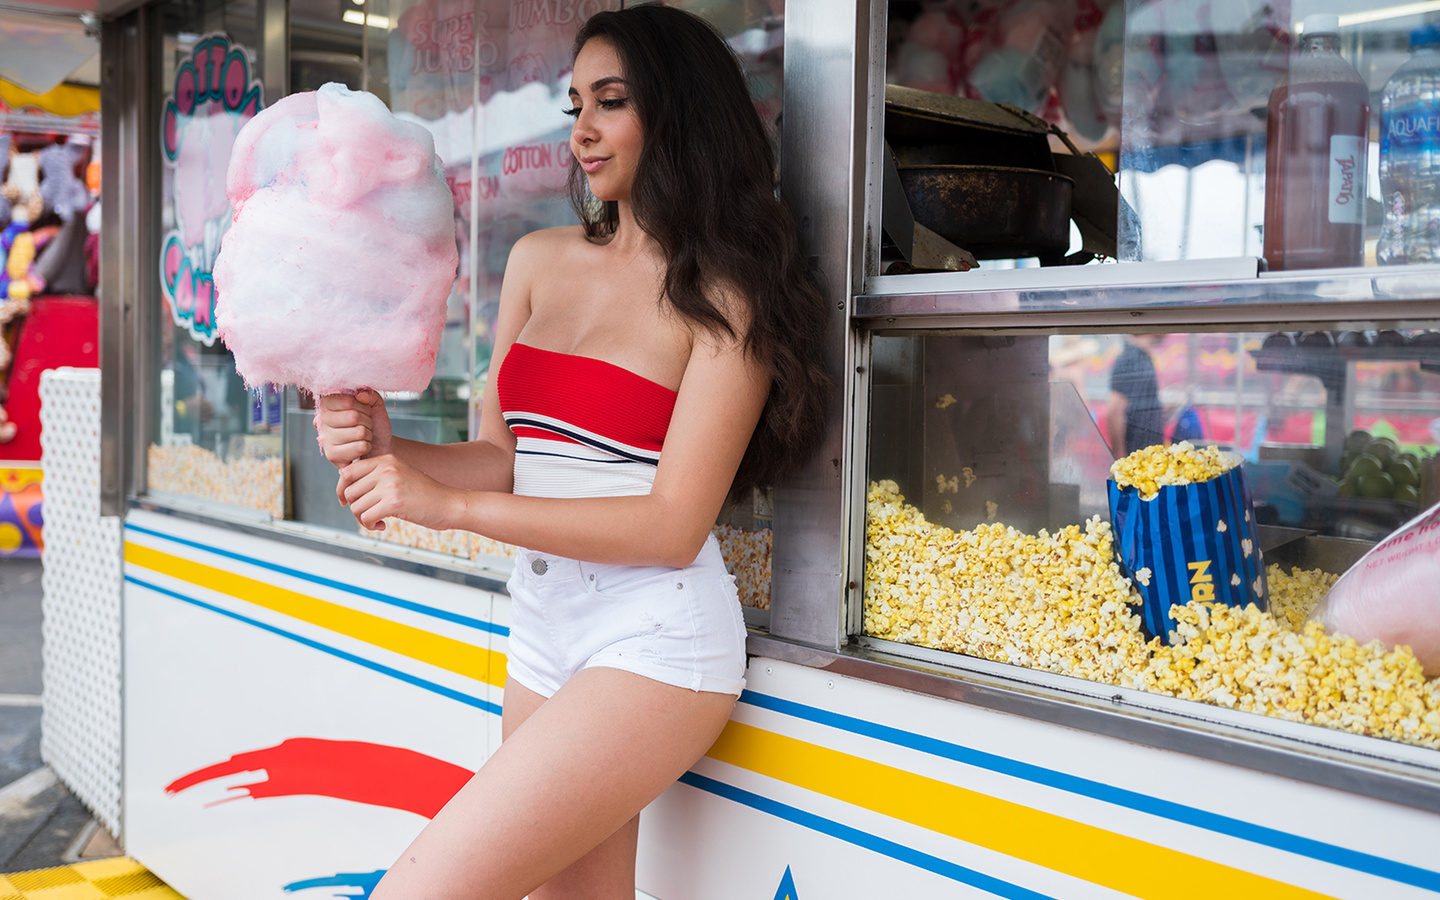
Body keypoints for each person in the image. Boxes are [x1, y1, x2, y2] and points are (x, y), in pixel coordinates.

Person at [315, 6, 830, 898]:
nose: (583, 131)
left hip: (654, 637)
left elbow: (671, 526)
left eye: (612, 102)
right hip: (543, 627)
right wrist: (398, 449)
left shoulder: (728, 293)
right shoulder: (537, 261)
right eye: (574, 106)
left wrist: (445, 506)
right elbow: (503, 456)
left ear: (677, 115)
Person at [1105, 333, 1164, 456]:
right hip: (1136, 455)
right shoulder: (1130, 358)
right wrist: (1120, 457)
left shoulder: (1142, 356)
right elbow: (1114, 410)